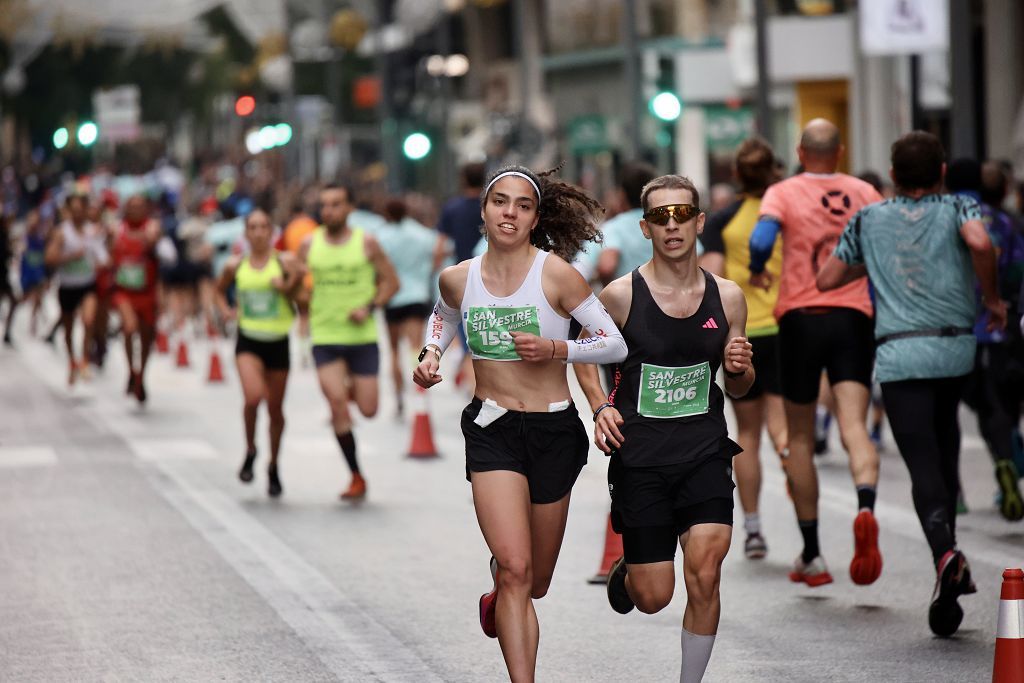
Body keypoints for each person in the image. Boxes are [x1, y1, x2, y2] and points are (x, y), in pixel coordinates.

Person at [412, 165, 626, 683]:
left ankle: (503, 588)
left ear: (535, 219)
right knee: (517, 570)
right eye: (500, 202)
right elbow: (442, 315)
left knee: (537, 581)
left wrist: (557, 348)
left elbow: (613, 343)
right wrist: (429, 354)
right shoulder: (458, 278)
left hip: (554, 432)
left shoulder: (556, 275)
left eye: (523, 206)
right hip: (492, 429)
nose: (510, 213)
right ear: (484, 212)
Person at [817, 130, 1006, 636]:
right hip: (954, 347)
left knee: (924, 464)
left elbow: (828, 280)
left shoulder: (868, 217)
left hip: (900, 353)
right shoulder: (960, 208)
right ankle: (947, 564)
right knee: (944, 457)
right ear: (942, 172)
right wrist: (990, 296)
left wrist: (878, 262)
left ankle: (945, 554)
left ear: (894, 176)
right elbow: (980, 242)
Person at [577, 174, 752, 683]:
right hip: (642, 459)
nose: (672, 226)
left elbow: (738, 387)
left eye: (682, 215)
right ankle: (632, 572)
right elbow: (583, 354)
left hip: (704, 451)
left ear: (699, 222)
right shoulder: (620, 295)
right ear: (645, 227)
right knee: (654, 598)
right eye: (660, 216)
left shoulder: (729, 297)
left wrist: (740, 368)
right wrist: (598, 407)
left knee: (706, 570)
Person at [747, 118, 884, 588]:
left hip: (801, 320)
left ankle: (812, 552)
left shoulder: (783, 192)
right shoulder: (866, 192)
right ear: (840, 152)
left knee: (800, 438)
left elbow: (762, 239)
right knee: (853, 425)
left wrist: (760, 268)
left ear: (802, 153)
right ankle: (866, 506)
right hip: (853, 318)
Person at [700, 137, 787, 560]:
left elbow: (712, 278)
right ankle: (809, 526)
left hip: (744, 335)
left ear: (736, 174)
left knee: (748, 435)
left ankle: (753, 530)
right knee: (788, 431)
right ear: (774, 170)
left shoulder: (723, 220)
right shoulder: (785, 212)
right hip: (789, 331)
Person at [299, 184, 399, 500]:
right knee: (337, 405)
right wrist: (297, 297)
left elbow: (391, 283)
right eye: (324, 205)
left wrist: (369, 306)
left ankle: (352, 389)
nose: (329, 210)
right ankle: (356, 475)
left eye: (336, 204)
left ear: (349, 209)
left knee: (368, 410)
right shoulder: (308, 244)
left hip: (362, 337)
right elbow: (297, 287)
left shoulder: (366, 243)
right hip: (325, 336)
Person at [947, 159, 1024, 521]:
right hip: (993, 326)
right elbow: (1017, 270)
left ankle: (954, 491)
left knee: (946, 410)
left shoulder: (940, 217)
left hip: (949, 328)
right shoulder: (1004, 221)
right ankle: (1005, 459)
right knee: (995, 404)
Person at [217, 209, 303, 497]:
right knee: (253, 397)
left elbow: (301, 297)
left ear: (272, 231)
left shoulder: (285, 261)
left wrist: (287, 285)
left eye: (264, 226)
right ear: (245, 233)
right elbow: (218, 291)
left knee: (276, 409)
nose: (258, 232)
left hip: (278, 340)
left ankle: (274, 464)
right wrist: (226, 311)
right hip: (248, 340)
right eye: (252, 227)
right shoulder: (235, 264)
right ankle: (251, 448)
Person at [375, 197, 444, 417]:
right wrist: (427, 273)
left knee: (393, 349)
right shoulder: (421, 233)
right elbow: (438, 252)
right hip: (416, 294)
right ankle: (419, 390)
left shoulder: (380, 236)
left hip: (392, 297)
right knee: (416, 346)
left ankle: (398, 396)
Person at [44, 194, 108, 385]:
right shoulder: (61, 233)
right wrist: (71, 256)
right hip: (67, 286)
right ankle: (72, 360)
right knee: (69, 329)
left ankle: (85, 359)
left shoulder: (91, 232)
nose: (78, 214)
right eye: (74, 211)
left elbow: (103, 257)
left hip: (87, 284)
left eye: (81, 210)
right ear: (68, 212)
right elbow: (50, 259)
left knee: (89, 320)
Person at [110, 195, 162, 403]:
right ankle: (131, 368)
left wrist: (150, 237)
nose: (137, 210)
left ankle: (141, 376)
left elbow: (154, 240)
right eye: (132, 206)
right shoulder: (117, 229)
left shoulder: (152, 226)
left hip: (147, 292)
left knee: (147, 338)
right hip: (124, 293)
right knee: (129, 328)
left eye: (141, 206)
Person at [596, 162, 658, 285]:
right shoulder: (665, 222)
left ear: (622, 194)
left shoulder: (614, 228)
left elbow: (606, 266)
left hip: (629, 299)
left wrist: (609, 290)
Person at [4, 209, 50, 343]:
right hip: (24, 276)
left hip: (37, 275)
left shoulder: (41, 239)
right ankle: (9, 328)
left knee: (36, 298)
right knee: (18, 300)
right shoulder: (23, 238)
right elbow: (16, 252)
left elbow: (44, 257)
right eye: (32, 221)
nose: (34, 225)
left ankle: (33, 323)